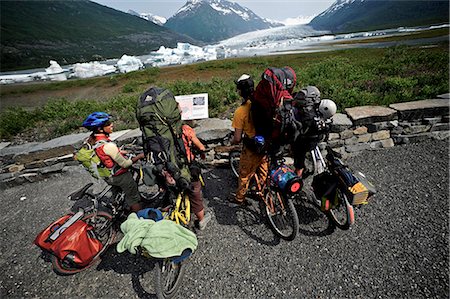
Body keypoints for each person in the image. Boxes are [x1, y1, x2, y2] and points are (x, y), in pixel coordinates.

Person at [82, 112, 145, 212]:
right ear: (100, 129)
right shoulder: (108, 146)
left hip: (106, 175)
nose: (112, 124)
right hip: (119, 176)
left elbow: (102, 155)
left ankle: (116, 210)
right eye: (108, 123)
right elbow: (125, 164)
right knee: (133, 198)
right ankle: (141, 218)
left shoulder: (91, 141)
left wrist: (119, 151)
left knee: (116, 191)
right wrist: (138, 157)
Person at [231, 74, 269, 205]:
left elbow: (237, 138)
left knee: (244, 174)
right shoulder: (262, 102)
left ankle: (239, 198)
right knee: (263, 168)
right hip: (265, 142)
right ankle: (262, 191)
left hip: (251, 146)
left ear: (241, 91)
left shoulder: (240, 111)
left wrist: (232, 142)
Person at [181, 120, 212, 230]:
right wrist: (203, 152)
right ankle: (201, 220)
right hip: (185, 166)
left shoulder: (162, 130)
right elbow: (200, 146)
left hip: (168, 168)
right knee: (195, 192)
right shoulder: (185, 129)